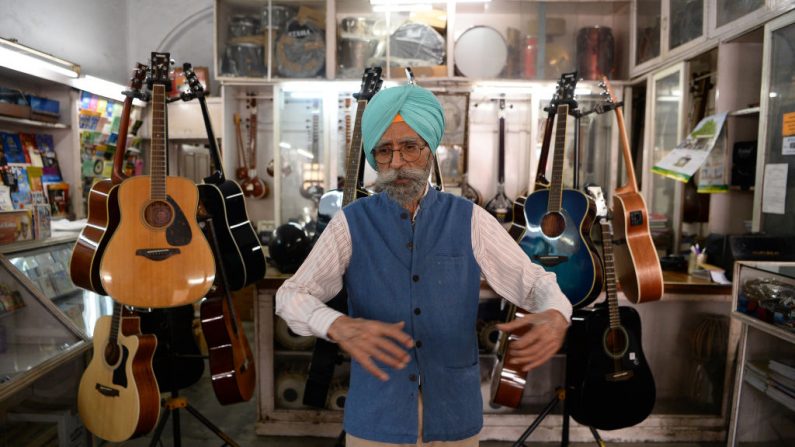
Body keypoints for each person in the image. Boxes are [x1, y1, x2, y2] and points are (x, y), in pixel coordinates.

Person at [275, 83, 572, 447]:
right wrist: (335, 324)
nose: (397, 162)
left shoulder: (470, 219)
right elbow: (290, 295)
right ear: (374, 156)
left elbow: (534, 282)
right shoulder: (350, 223)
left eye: (410, 147)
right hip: (375, 417)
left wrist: (557, 312)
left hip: (453, 414)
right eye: (384, 151)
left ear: (430, 150)